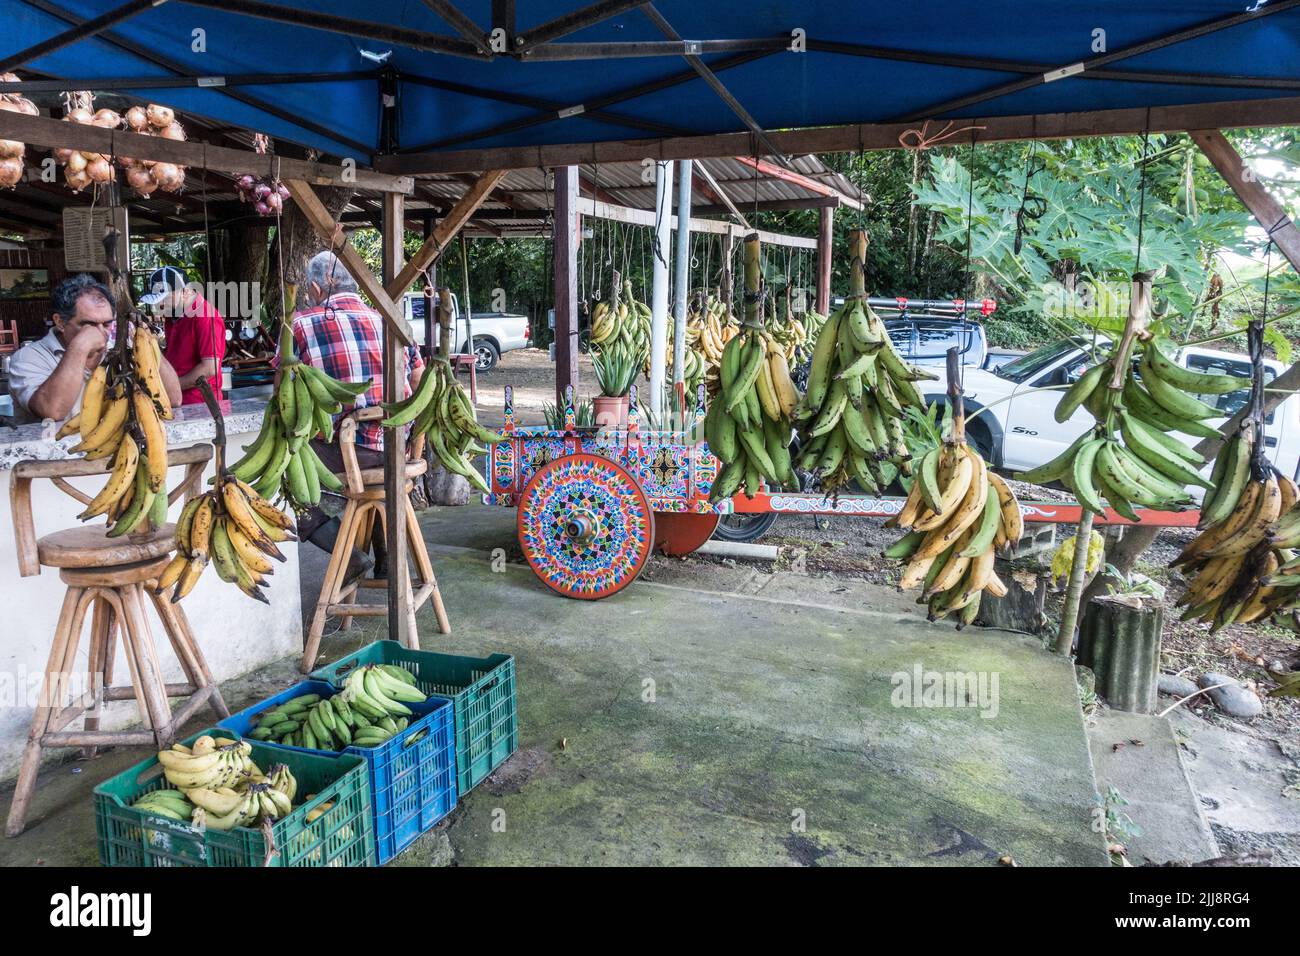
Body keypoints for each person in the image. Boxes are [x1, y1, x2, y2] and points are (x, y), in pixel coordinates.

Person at [291, 250, 424, 579]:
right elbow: (420, 382)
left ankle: (347, 555)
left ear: (319, 289)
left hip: (351, 454)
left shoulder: (301, 325)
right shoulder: (391, 320)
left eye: (310, 291)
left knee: (281, 471)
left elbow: (284, 391)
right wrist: (413, 436)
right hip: (399, 451)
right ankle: (387, 563)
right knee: (374, 486)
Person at [8, 273, 182, 425]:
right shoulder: (28, 358)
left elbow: (173, 399)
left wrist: (148, 344)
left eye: (107, 324)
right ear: (60, 322)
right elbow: (52, 411)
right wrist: (79, 347)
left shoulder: (119, 350)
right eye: (89, 324)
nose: (100, 332)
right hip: (51, 458)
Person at [139, 265, 226, 405]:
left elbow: (210, 368)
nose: (160, 304)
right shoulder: (173, 312)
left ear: (185, 292)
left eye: (165, 298)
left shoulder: (205, 317)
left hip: (200, 404)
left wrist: (172, 386)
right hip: (174, 400)